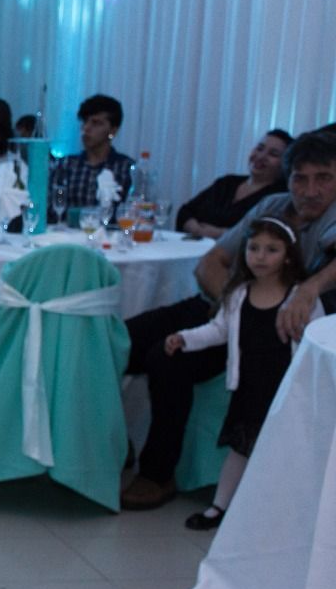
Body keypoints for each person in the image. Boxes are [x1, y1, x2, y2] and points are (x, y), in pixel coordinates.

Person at [121, 128, 336, 509]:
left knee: (166, 358)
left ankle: (157, 473)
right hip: (222, 305)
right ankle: (114, 442)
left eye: (324, 178)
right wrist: (234, 305)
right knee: (121, 339)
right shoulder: (270, 206)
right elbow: (211, 262)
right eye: (300, 178)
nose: (310, 190)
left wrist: (307, 288)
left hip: (267, 335)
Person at [164, 217, 322, 529]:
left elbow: (317, 339)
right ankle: (220, 506)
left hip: (285, 390)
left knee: (284, 451)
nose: (260, 256)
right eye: (254, 248)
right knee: (240, 451)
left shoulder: (300, 299)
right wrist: (186, 338)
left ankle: (287, 513)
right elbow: (219, 330)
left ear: (288, 256)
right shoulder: (238, 295)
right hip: (250, 387)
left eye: (271, 250)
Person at [175, 129, 291, 238]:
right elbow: (185, 211)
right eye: (259, 148)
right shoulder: (226, 183)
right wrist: (197, 230)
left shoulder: (279, 196)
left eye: (273, 154)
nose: (260, 156)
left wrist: (219, 233)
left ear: (285, 164)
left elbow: (263, 234)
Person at [48, 94, 134, 210]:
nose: (86, 128)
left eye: (96, 123)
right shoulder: (66, 165)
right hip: (67, 227)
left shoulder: (126, 168)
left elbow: (135, 213)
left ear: (113, 130)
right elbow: (52, 208)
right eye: (85, 122)